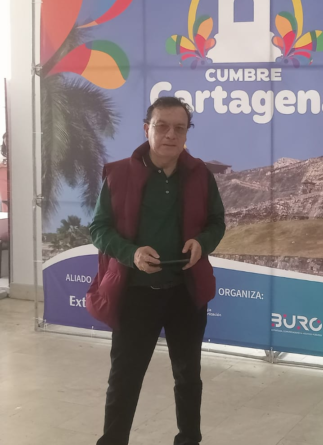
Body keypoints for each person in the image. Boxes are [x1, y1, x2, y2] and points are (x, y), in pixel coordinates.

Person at [86, 96, 225, 445]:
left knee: (188, 375)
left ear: (187, 133)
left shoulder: (200, 175)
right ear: (147, 129)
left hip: (185, 293)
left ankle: (189, 439)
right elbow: (99, 229)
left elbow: (216, 223)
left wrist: (202, 243)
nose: (170, 135)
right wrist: (130, 253)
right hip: (135, 294)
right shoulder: (119, 174)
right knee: (124, 378)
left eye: (179, 128)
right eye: (162, 126)